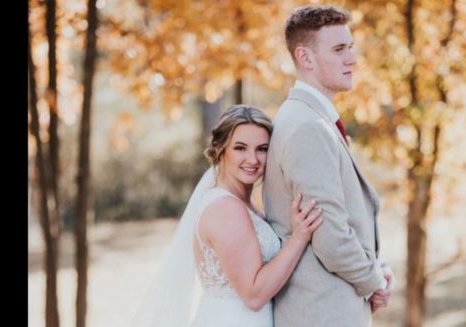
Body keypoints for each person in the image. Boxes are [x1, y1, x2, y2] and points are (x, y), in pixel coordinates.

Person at [263, 5, 395, 327]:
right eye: (338, 50)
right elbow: (330, 236)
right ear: (305, 58)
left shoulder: (312, 119)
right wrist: (373, 281)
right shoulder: (307, 126)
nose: (352, 59)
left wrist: (376, 266)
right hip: (321, 314)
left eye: (350, 47)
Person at [132, 104, 323, 327]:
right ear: (221, 150)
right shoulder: (226, 208)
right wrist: (298, 239)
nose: (252, 159)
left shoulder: (244, 204)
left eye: (262, 149)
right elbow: (253, 295)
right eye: (240, 148)